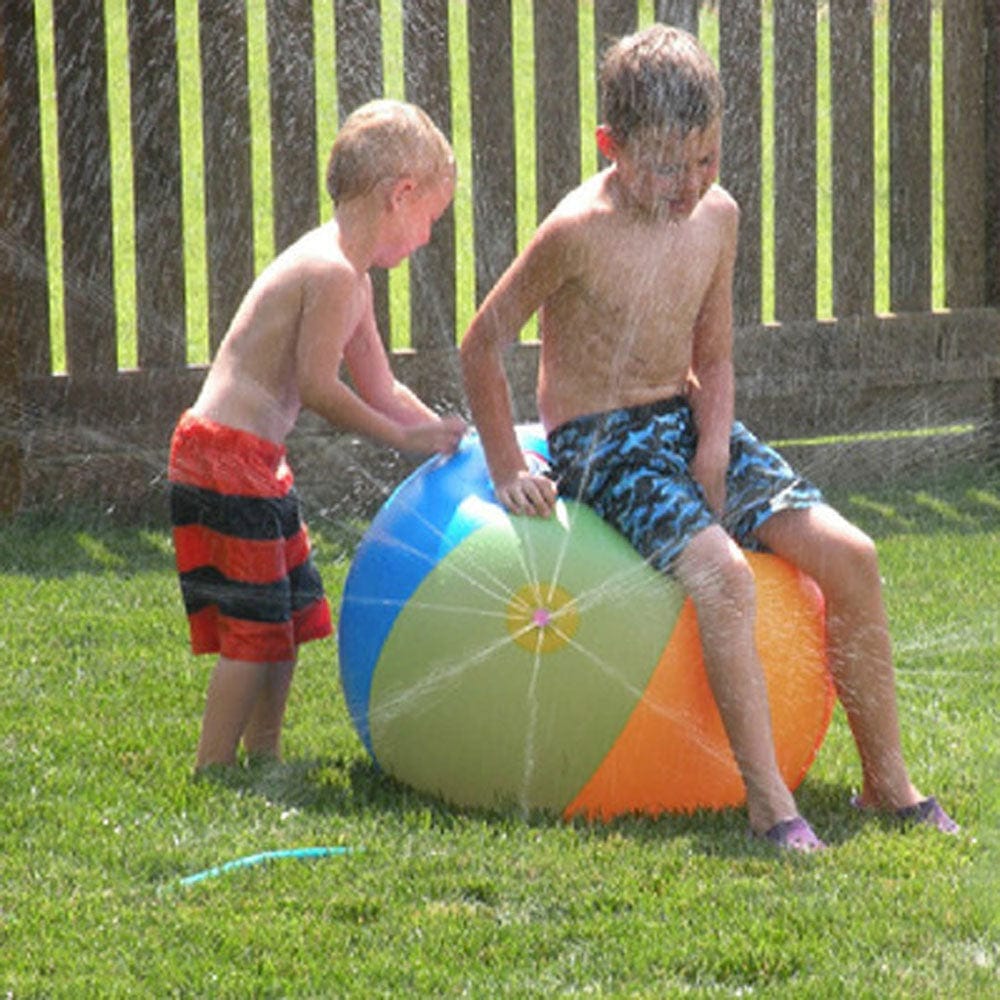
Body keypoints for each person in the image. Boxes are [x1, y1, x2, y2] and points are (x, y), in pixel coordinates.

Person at [459, 25, 957, 850]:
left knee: (853, 556)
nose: (688, 184)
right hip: (601, 437)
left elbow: (716, 357)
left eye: (705, 160)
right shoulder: (576, 231)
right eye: (665, 165)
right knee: (724, 578)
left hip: (688, 416)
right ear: (609, 146)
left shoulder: (715, 217)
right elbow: (483, 341)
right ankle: (770, 804)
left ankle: (887, 783)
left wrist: (714, 448)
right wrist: (509, 463)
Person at [169, 99, 466, 772]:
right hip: (223, 456)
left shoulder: (351, 279)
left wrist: (443, 432)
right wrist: (401, 439)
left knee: (290, 614)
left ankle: (264, 755)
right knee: (253, 629)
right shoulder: (330, 271)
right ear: (402, 195)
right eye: (430, 222)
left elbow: (381, 385)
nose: (425, 240)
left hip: (252, 459)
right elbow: (324, 387)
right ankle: (212, 769)